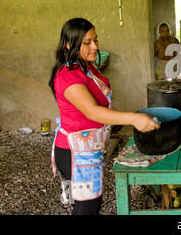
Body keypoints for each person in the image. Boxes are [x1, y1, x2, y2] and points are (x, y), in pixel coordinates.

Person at [49, 18, 160, 215]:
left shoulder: (85, 66)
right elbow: (91, 111)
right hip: (76, 153)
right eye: (86, 43)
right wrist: (134, 118)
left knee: (87, 204)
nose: (94, 46)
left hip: (90, 149)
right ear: (68, 44)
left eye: (95, 40)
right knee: (86, 208)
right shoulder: (68, 75)